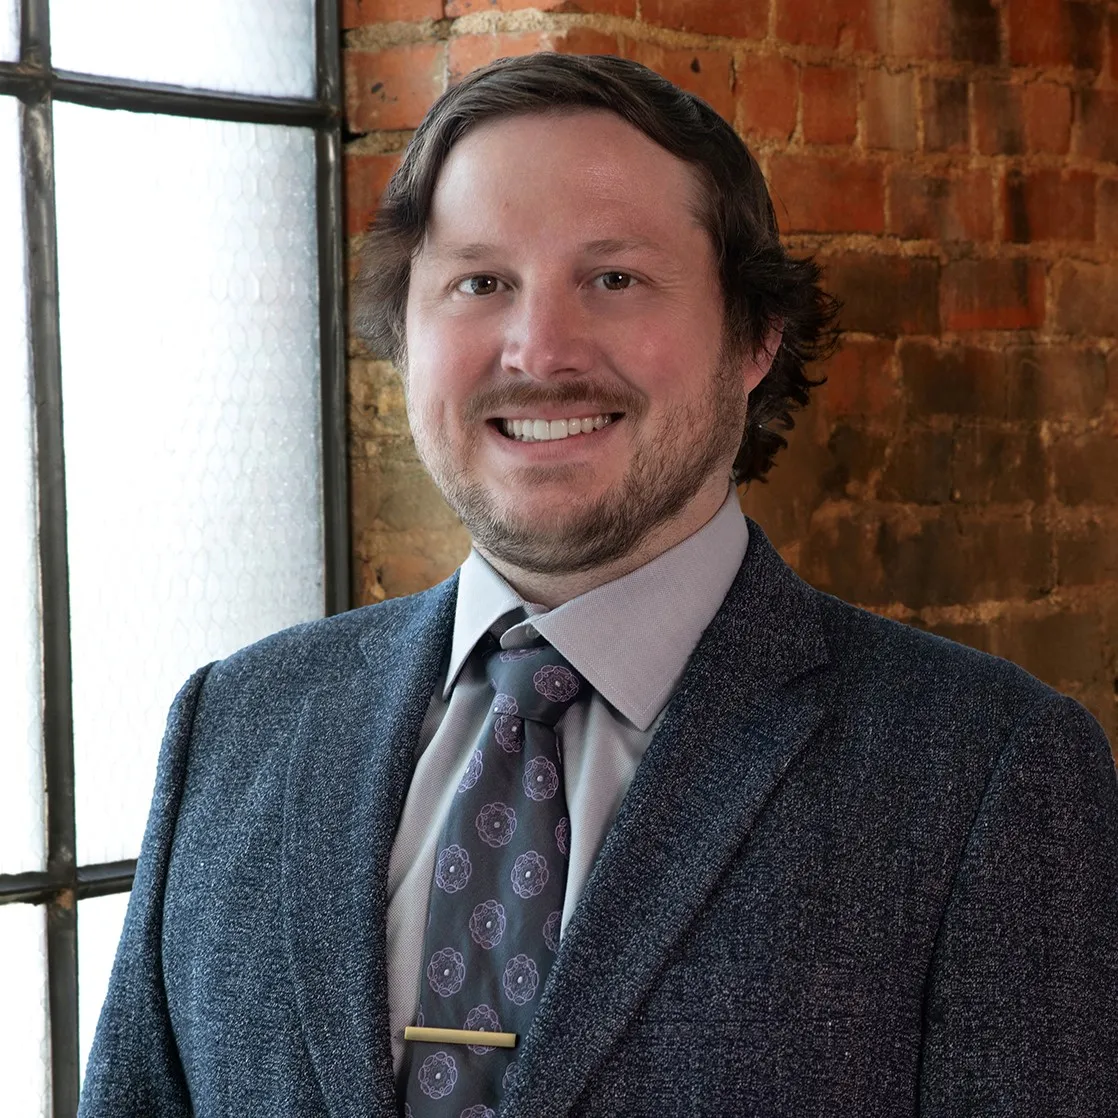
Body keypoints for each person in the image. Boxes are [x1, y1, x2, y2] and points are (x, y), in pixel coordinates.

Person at [80, 53, 1117, 1118]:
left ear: (755, 335)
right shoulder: (235, 726)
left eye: (613, 278)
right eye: (480, 282)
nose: (538, 349)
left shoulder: (988, 773)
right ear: (408, 333)